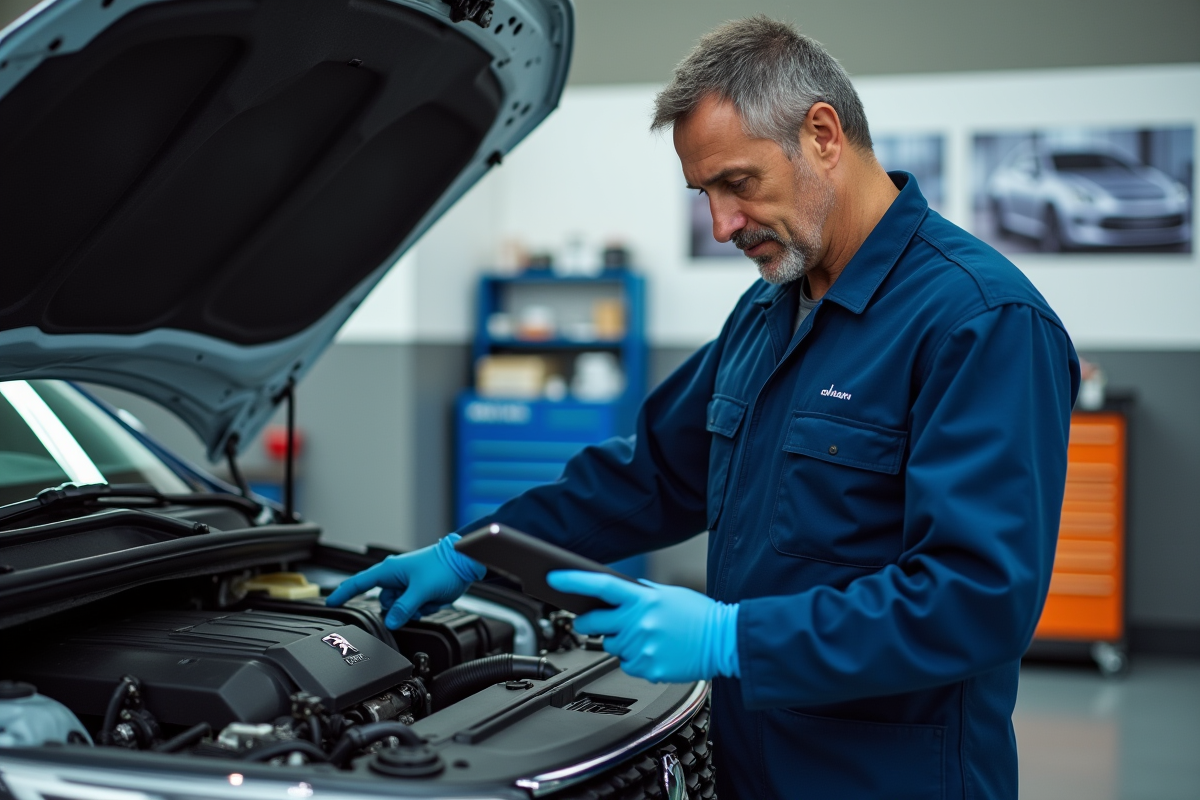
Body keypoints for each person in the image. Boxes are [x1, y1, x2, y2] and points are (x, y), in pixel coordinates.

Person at [328, 16, 1079, 799]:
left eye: (738, 183)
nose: (722, 225)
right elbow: (648, 475)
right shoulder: (767, 314)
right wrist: (477, 550)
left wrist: (732, 637)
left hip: (887, 774)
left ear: (823, 134)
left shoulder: (979, 321)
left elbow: (976, 600)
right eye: (705, 194)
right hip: (753, 758)